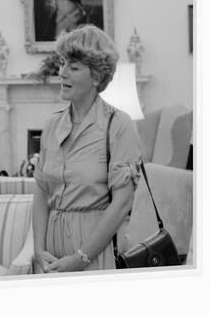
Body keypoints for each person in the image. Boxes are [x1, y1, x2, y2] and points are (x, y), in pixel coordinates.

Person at [33, 24, 142, 272]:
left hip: (94, 253)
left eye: (73, 67)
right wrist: (38, 250)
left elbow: (122, 204)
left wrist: (80, 258)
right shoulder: (52, 124)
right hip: (49, 256)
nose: (62, 73)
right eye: (62, 64)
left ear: (96, 77)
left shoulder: (118, 125)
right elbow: (40, 191)